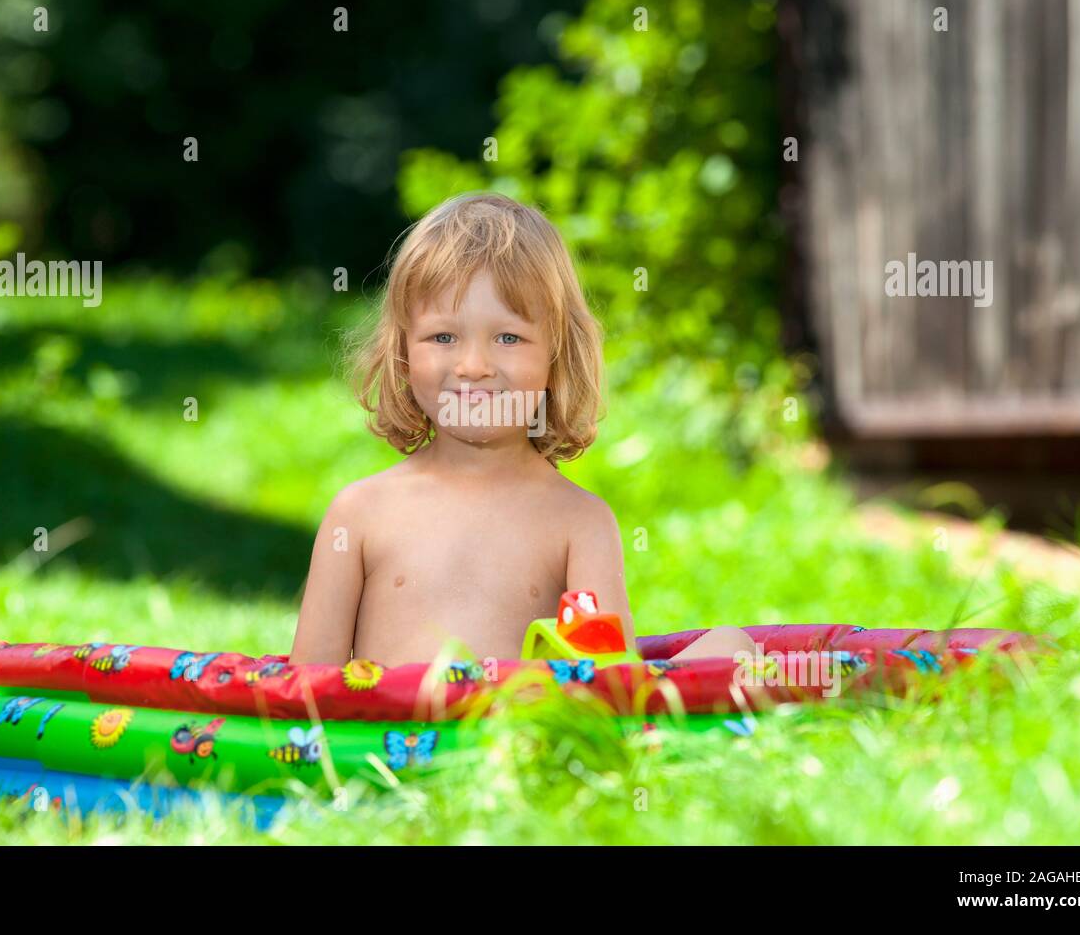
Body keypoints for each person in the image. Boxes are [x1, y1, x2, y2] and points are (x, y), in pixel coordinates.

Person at [288, 191, 758, 667]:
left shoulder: (580, 523)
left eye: (508, 338)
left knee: (732, 647)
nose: (473, 366)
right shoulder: (359, 513)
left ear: (556, 358)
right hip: (390, 743)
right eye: (443, 337)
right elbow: (306, 689)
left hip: (518, 739)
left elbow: (609, 687)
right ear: (403, 355)